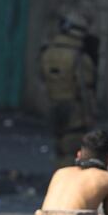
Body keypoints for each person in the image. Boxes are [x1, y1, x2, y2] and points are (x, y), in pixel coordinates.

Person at [39, 11, 97, 168]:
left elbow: (43, 81)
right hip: (74, 109)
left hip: (54, 104)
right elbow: (86, 90)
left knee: (59, 147)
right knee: (71, 151)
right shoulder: (79, 57)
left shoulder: (48, 52)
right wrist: (90, 115)